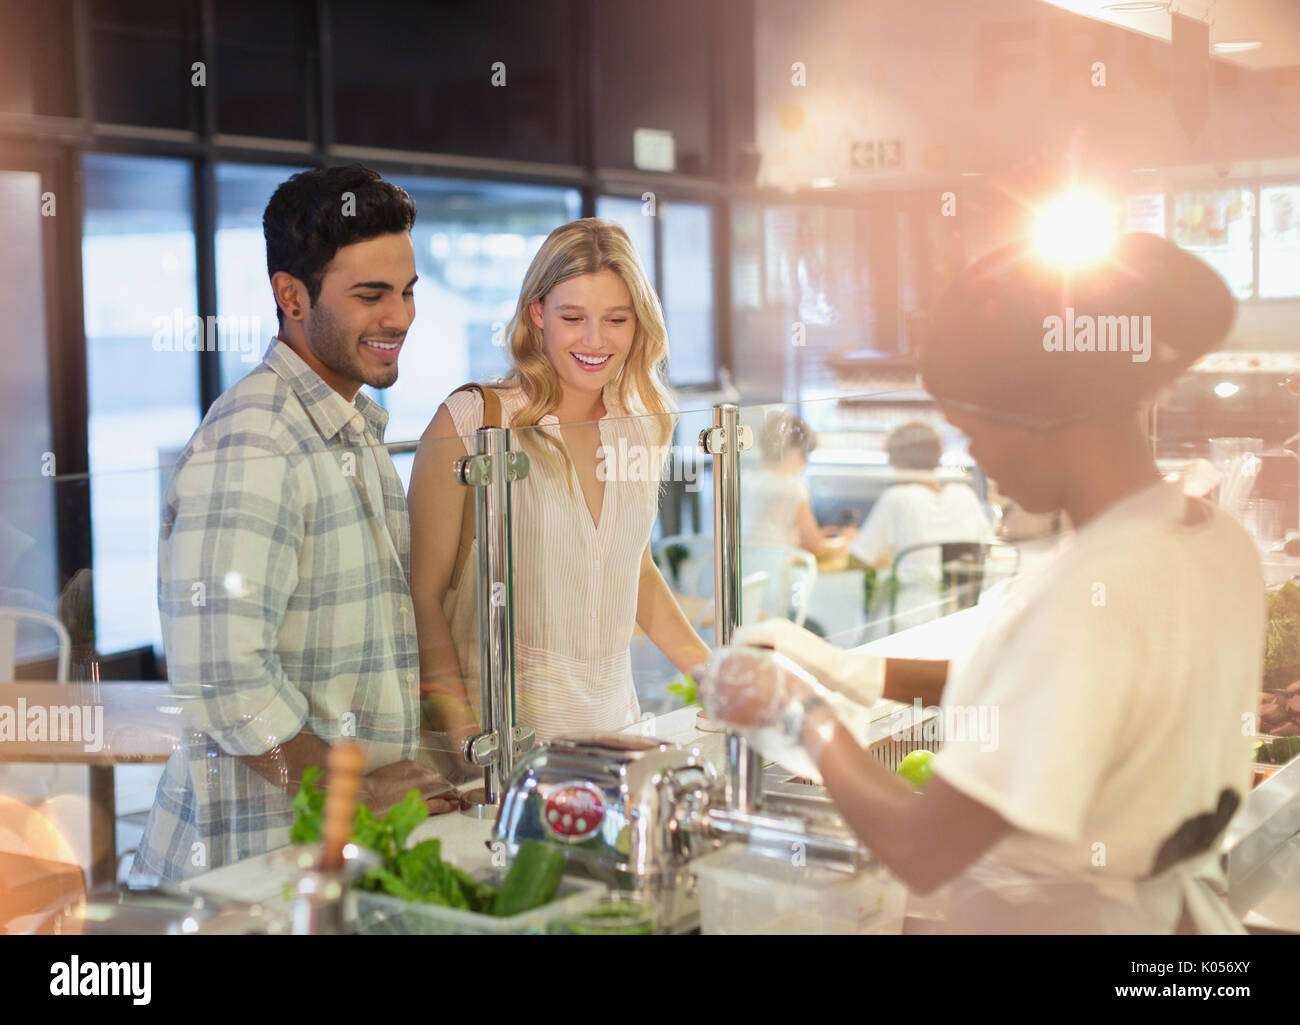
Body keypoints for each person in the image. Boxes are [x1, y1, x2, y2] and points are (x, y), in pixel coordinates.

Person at [699, 232, 1263, 933]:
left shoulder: (1095, 588)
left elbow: (920, 846)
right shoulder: (1214, 540)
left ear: (1047, 419)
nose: (973, 453)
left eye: (974, 428)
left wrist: (798, 715)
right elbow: (1056, 691)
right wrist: (845, 668)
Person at [133, 165, 460, 884]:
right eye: (370, 295)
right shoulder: (255, 440)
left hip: (330, 863)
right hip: (247, 876)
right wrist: (354, 792)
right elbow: (220, 674)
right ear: (291, 296)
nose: (399, 318)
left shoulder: (352, 428)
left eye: (406, 292)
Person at [409, 219, 709, 750]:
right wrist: (468, 740)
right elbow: (421, 596)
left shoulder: (643, 423)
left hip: (615, 732)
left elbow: (631, 567)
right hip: (504, 744)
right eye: (573, 317)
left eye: (616, 319)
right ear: (537, 313)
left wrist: (713, 677)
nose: (595, 340)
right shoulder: (473, 419)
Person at [849, 420, 994, 632]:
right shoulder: (965, 495)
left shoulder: (897, 498)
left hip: (907, 619)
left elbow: (858, 558)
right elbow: (985, 549)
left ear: (898, 463)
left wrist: (888, 558)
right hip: (963, 618)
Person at [743, 411, 856, 561]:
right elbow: (815, 546)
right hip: (772, 572)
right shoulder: (792, 488)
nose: (805, 462)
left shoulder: (744, 480)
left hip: (743, 568)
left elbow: (764, 534)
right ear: (792, 450)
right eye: (804, 453)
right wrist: (845, 540)